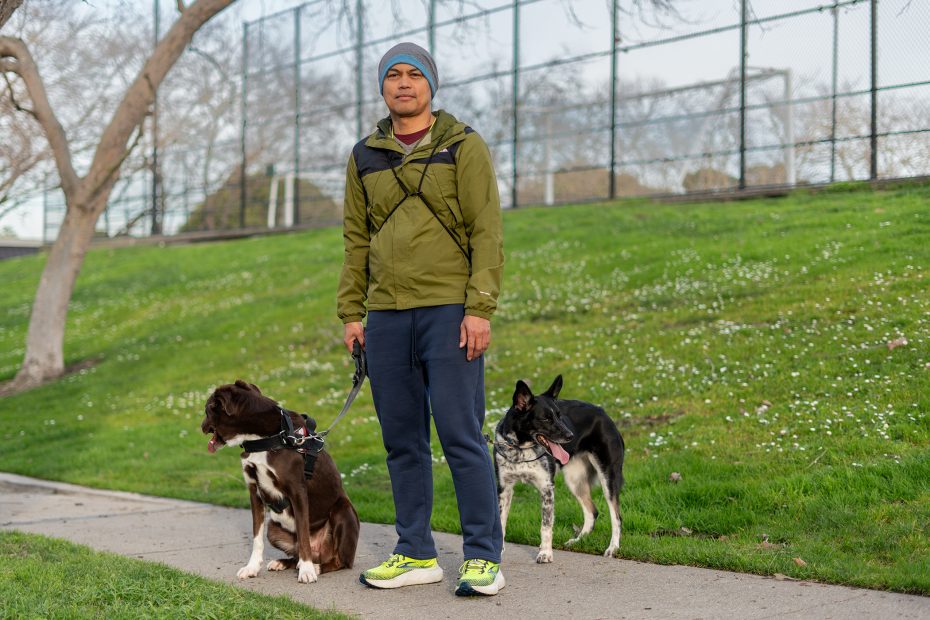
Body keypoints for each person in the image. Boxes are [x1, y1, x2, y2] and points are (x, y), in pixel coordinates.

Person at [337, 41, 505, 597]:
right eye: (393, 76)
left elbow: (486, 232)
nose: (403, 84)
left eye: (414, 75)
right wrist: (351, 313)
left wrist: (479, 307)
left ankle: (483, 557)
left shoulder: (463, 146)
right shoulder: (364, 155)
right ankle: (415, 552)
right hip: (385, 318)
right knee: (402, 443)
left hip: (449, 313)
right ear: (382, 87)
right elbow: (355, 240)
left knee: (462, 436)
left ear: (431, 86)